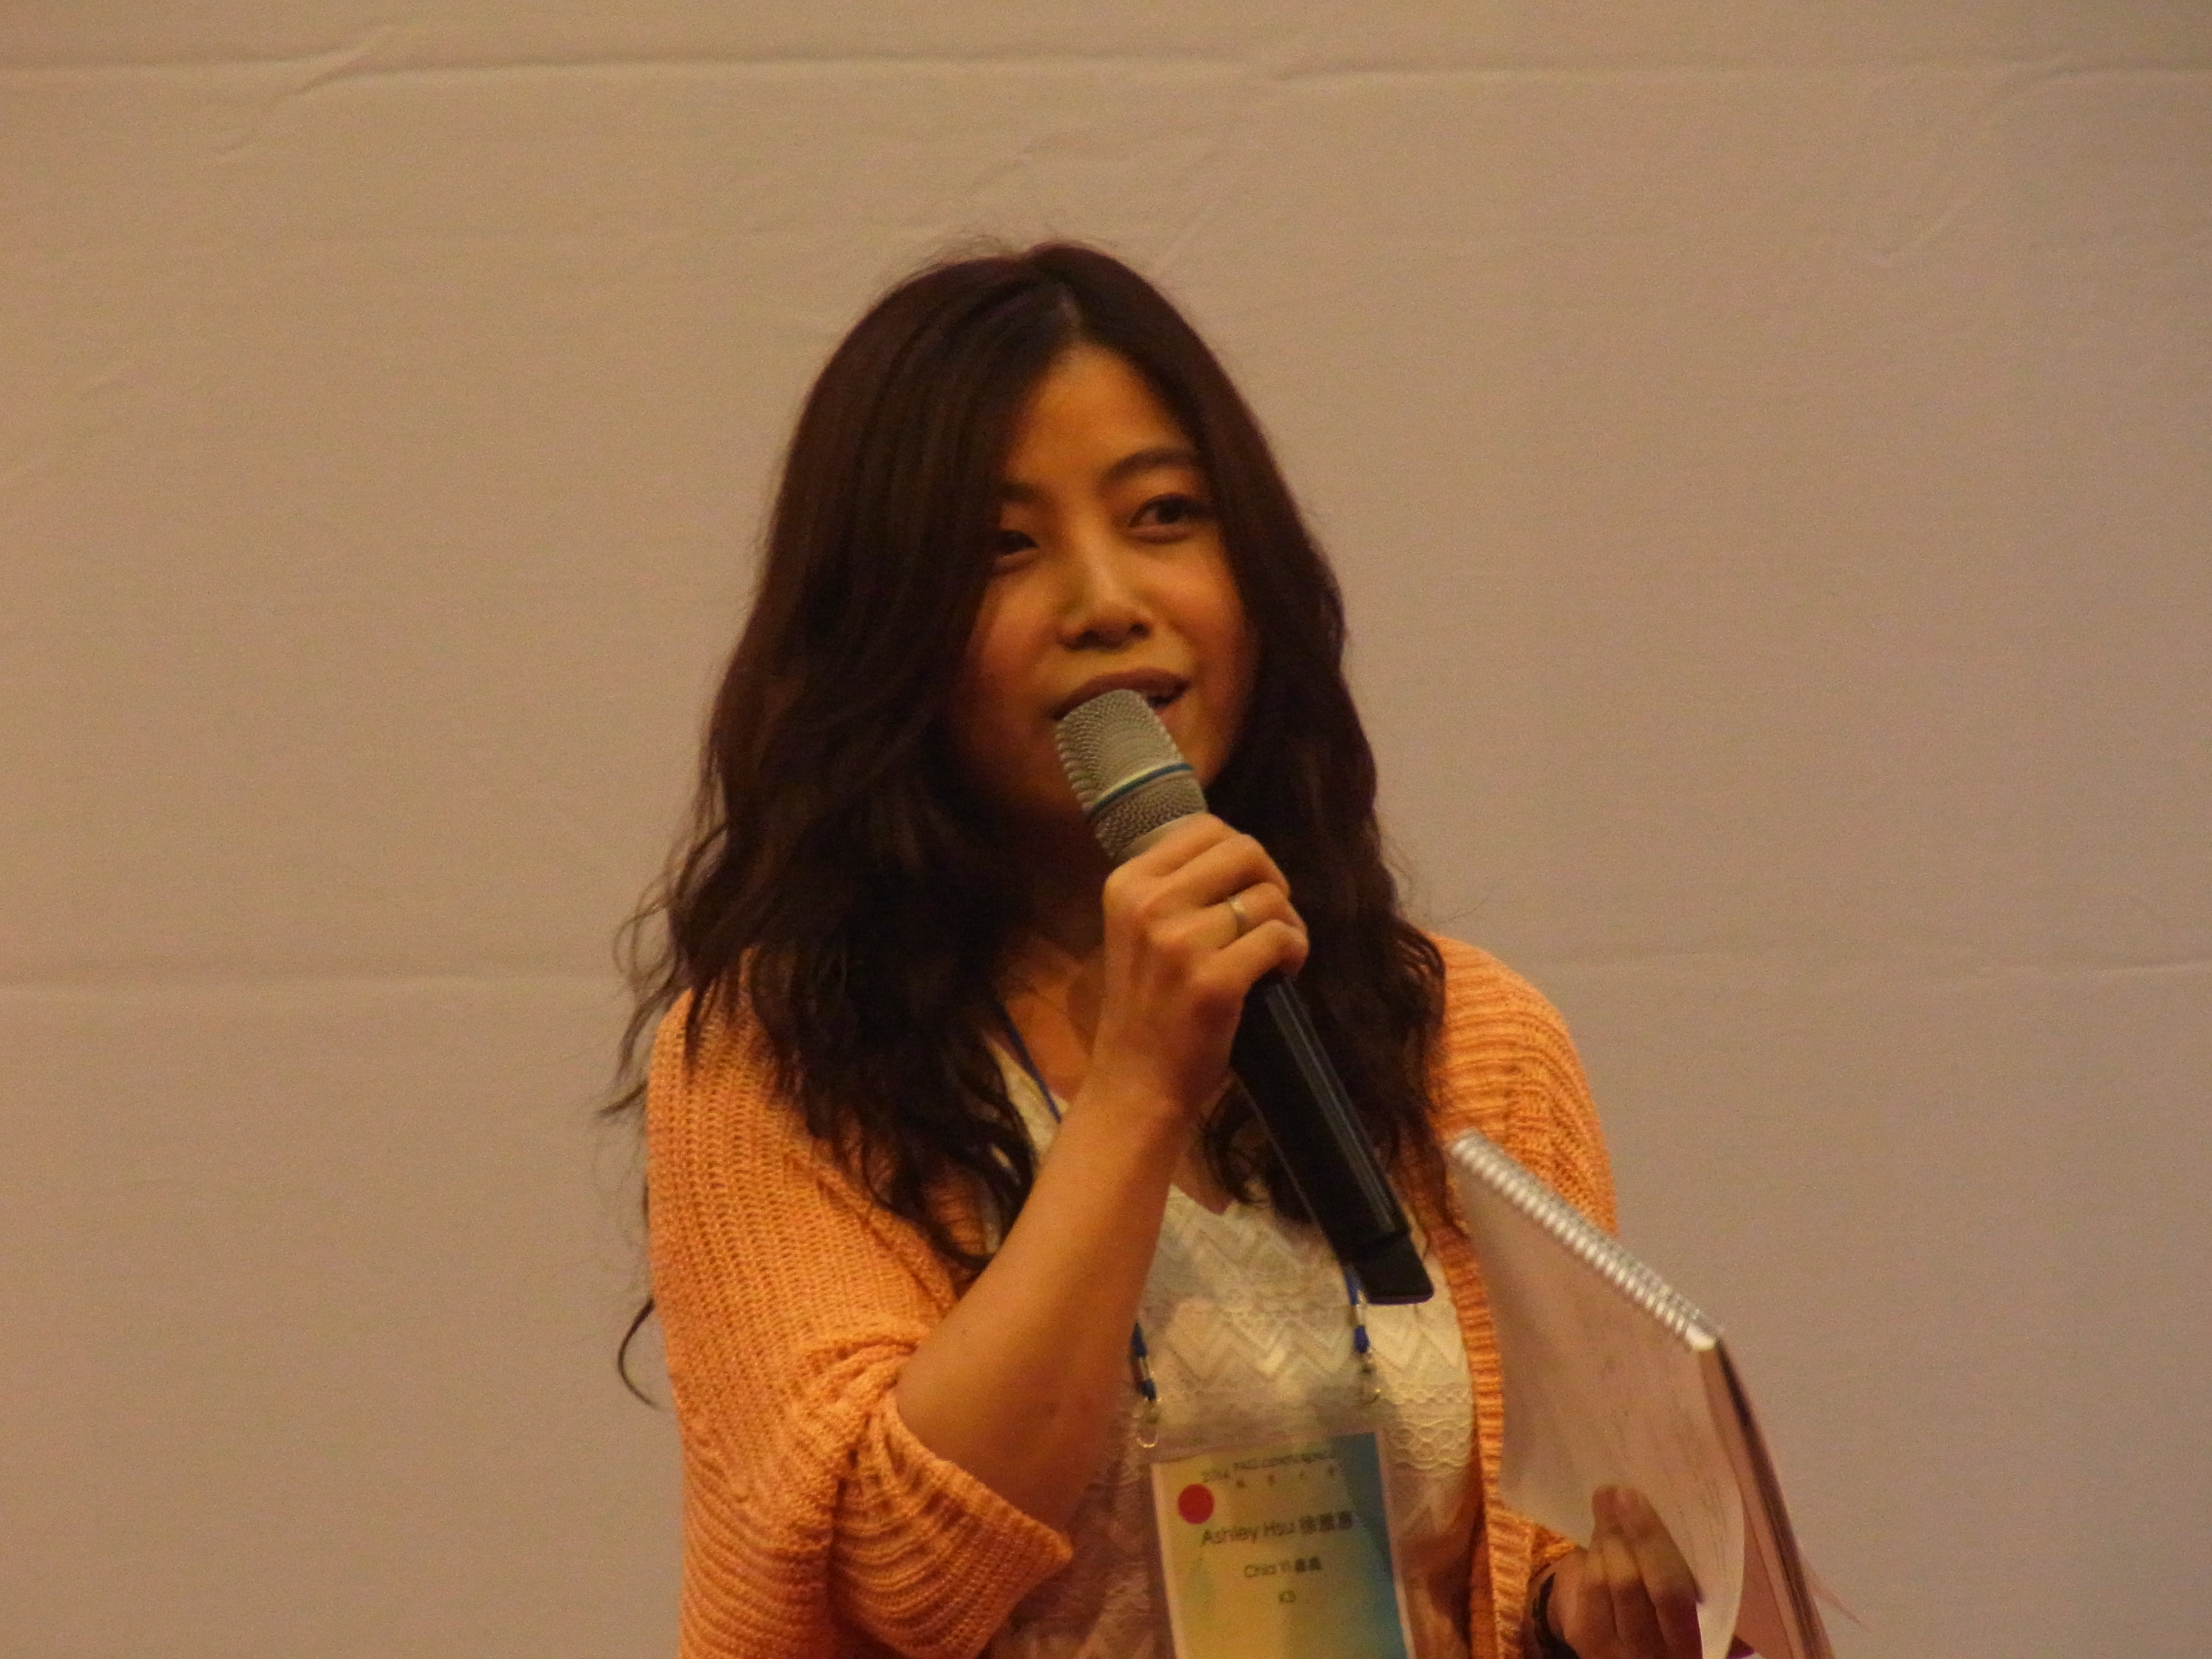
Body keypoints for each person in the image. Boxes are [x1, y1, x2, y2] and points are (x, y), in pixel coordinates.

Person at [620, 243, 1706, 1659]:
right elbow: (897, 1575)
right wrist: (1137, 1085)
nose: (1106, 600)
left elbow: (1532, 1553)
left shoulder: (1468, 1040)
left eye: (1165, 517)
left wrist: (1585, 1624)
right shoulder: (777, 1060)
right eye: (1004, 548)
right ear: (885, 628)